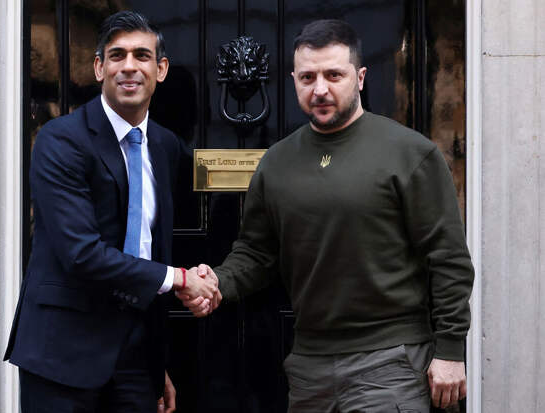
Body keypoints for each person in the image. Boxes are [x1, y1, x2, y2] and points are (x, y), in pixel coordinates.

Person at [181, 19, 474, 412]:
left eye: (334, 75)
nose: (319, 89)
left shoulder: (410, 154)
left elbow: (448, 258)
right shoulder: (276, 163)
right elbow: (257, 252)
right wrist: (218, 282)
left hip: (391, 363)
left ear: (360, 77)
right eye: (308, 77)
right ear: (294, 80)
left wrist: (451, 349)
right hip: (309, 367)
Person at [4, 11, 216, 413]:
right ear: (99, 68)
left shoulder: (165, 147)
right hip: (62, 355)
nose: (129, 66)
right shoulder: (60, 140)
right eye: (117, 55)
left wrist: (157, 364)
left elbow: (153, 246)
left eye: (142, 55)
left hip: (136, 359)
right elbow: (81, 253)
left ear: (161, 69)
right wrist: (180, 278)